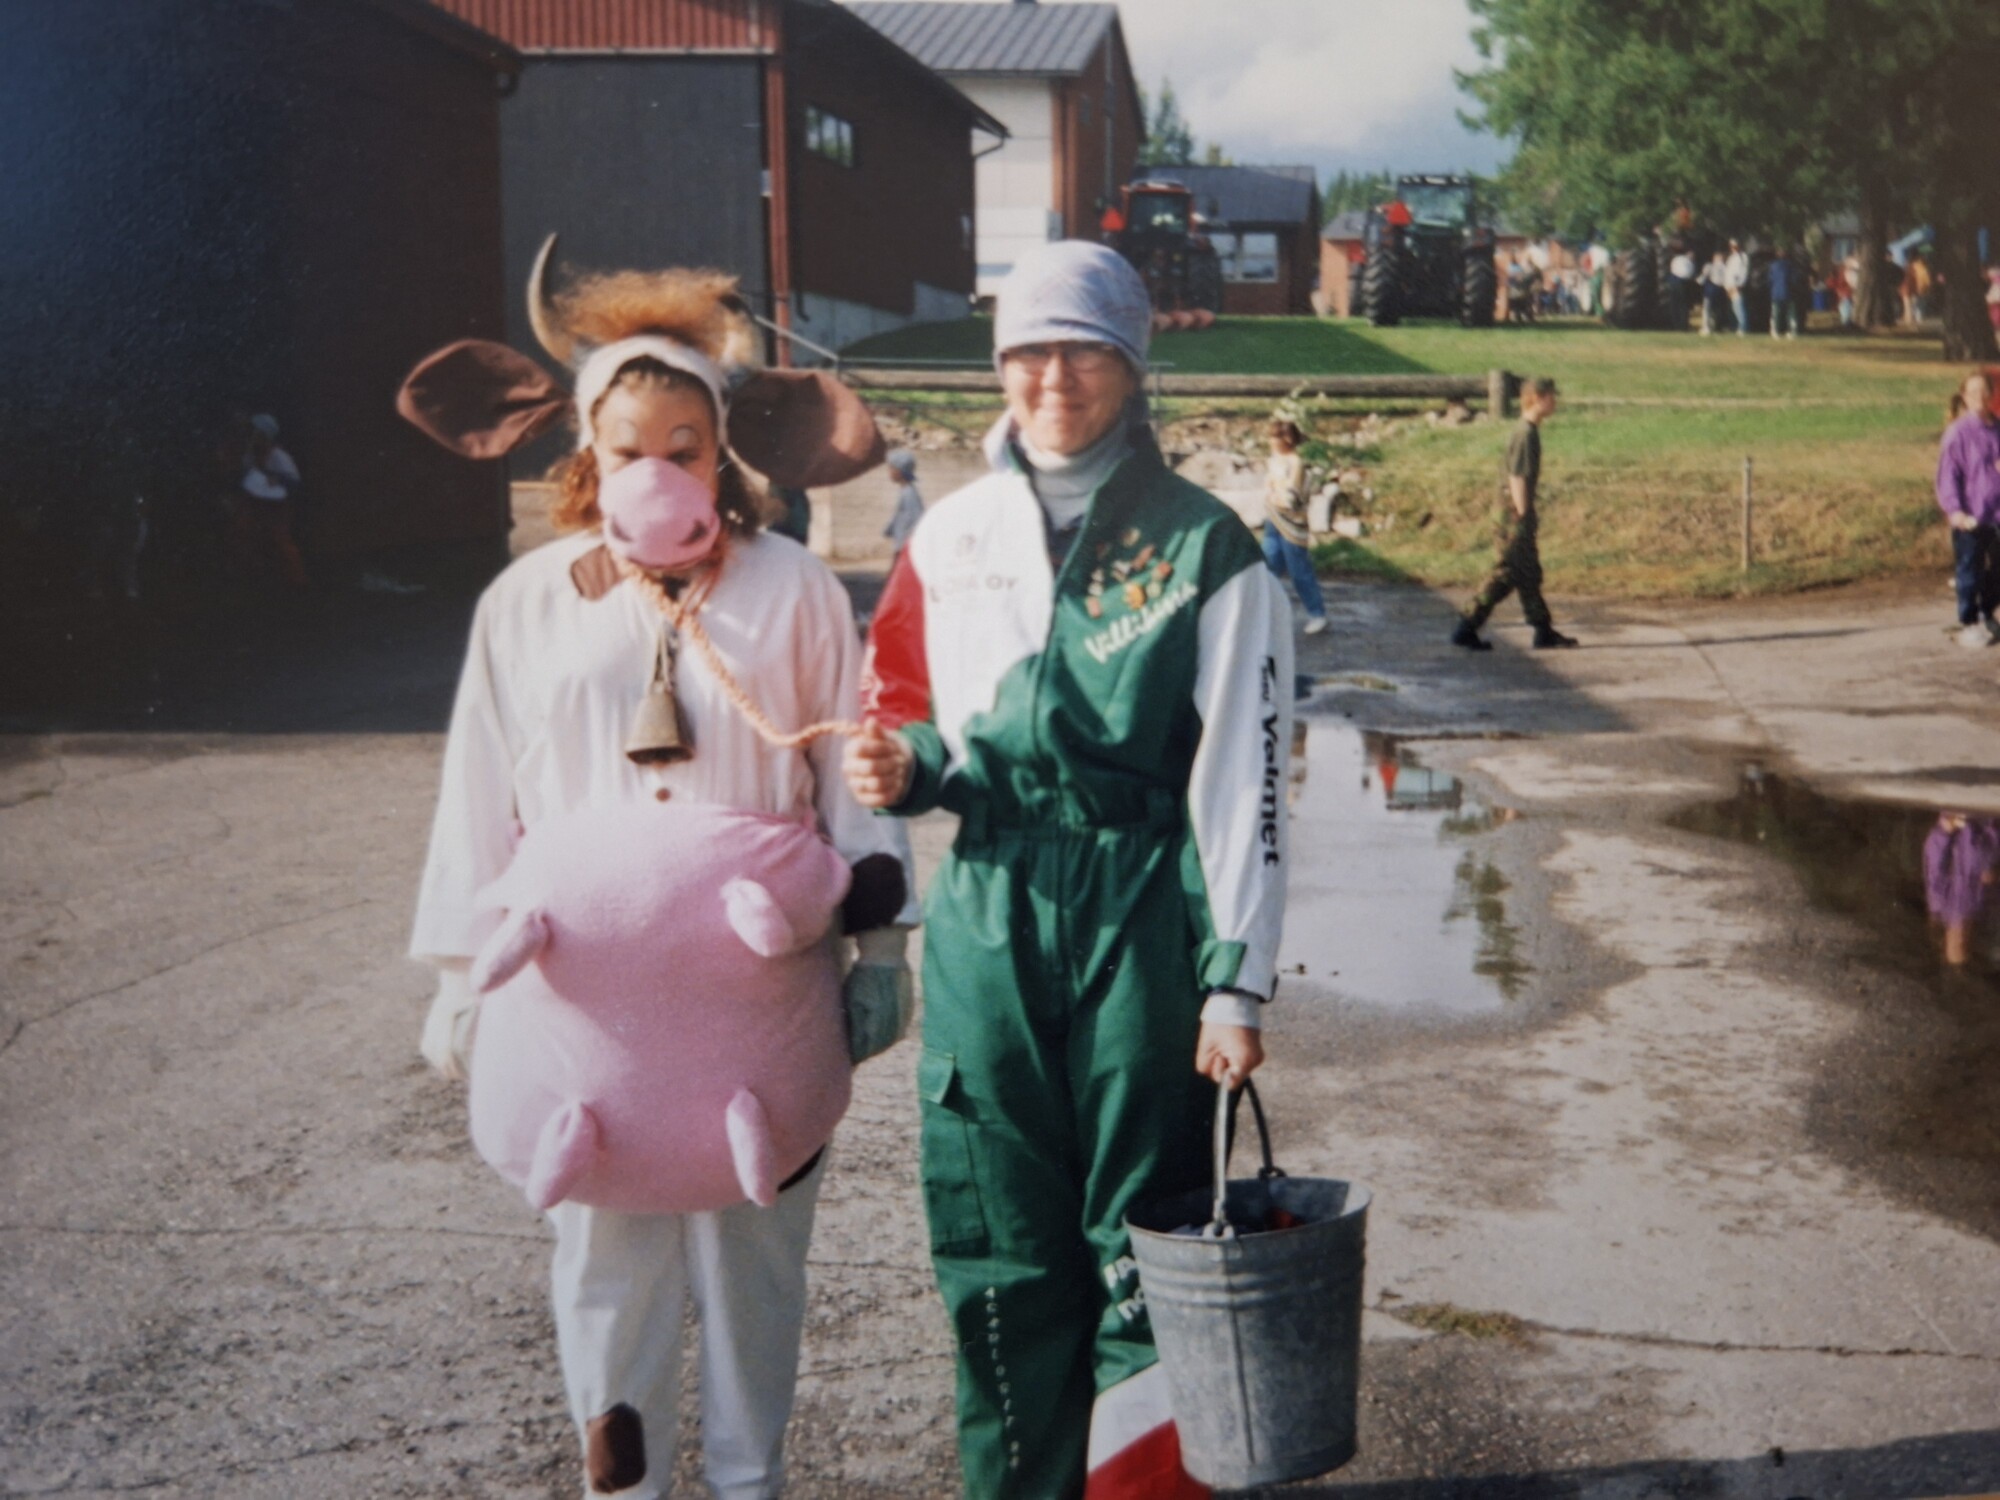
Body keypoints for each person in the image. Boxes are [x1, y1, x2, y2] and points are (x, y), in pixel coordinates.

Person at [405, 262, 916, 1500]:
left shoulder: (791, 590)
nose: (659, 464)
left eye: (685, 441)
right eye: (630, 442)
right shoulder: (530, 601)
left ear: (724, 444)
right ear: (587, 444)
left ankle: (749, 1481)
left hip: (760, 996)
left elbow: (846, 777)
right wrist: (463, 972)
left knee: (754, 1258)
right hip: (588, 1010)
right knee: (603, 1254)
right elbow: (481, 785)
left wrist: (882, 945)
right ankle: (620, 1484)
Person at [845, 240, 1291, 1500]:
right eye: (1028, 351)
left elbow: (1245, 789)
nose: (1053, 378)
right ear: (999, 366)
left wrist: (1235, 984)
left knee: (1144, 1243)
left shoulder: (1208, 547)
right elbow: (921, 715)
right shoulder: (952, 533)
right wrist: (905, 766)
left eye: (1083, 350)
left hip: (1143, 908)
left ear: (1130, 366)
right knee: (996, 1236)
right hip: (989, 910)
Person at [1453, 376, 1577, 651]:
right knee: (1507, 573)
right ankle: (1467, 624)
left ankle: (1542, 630)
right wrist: (1523, 513)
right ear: (1537, 398)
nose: (1554, 402)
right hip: (1513, 517)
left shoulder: (1529, 430)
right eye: (1550, 396)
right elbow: (1517, 477)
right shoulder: (1525, 433)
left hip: (1516, 515)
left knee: (1529, 572)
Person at [1936, 370, 2000, 648]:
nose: (1980, 398)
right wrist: (1956, 511)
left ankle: (1988, 613)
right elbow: (1947, 477)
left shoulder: (1998, 428)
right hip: (1970, 518)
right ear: (1964, 397)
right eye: (1974, 393)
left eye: (1985, 392)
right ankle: (1969, 621)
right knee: (1969, 570)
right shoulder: (1957, 433)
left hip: (1996, 514)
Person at [1263, 416, 1329, 634]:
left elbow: (1292, 496)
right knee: (1268, 566)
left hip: (1292, 524)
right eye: (1270, 437)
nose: (1271, 441)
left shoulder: (1296, 463)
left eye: (1275, 437)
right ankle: (1267, 613)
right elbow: (1269, 486)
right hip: (1273, 520)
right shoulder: (1274, 460)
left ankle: (1317, 613)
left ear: (1287, 439)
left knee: (1298, 569)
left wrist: (1275, 495)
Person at [233, 412, 309, 587]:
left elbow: (295, 483)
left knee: (280, 541)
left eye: (255, 431)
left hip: (277, 506)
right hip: (256, 503)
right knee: (249, 536)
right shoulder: (251, 455)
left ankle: (298, 585)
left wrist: (278, 479)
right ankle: (260, 581)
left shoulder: (279, 456)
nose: (251, 435)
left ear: (264, 434)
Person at [1925, 811, 1999, 968]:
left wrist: (1944, 831)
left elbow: (1935, 862)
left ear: (1946, 939)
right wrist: (1995, 875)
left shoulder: (1940, 904)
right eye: (1964, 947)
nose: (1960, 941)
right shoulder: (1984, 914)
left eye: (1955, 946)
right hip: (1993, 821)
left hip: (1964, 818)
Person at [881, 446, 924, 559]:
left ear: (900, 471)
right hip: (901, 546)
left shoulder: (910, 494)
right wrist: (890, 530)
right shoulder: (905, 491)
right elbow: (899, 516)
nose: (889, 472)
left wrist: (906, 546)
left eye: (891, 468)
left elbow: (916, 519)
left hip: (905, 548)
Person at [1768, 245, 1798, 339]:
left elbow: (1770, 280)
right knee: (1791, 314)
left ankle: (1774, 331)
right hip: (1788, 292)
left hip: (1776, 293)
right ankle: (1792, 332)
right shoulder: (1791, 266)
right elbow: (1794, 280)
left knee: (1776, 314)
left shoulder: (1773, 266)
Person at [1723, 239, 1751, 337]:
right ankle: (1733, 327)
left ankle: (1743, 327)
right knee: (1733, 308)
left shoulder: (1743, 257)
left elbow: (1743, 273)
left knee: (1739, 307)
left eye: (1735, 246)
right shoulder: (1731, 258)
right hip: (1729, 286)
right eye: (1732, 246)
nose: (1733, 248)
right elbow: (1727, 273)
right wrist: (1727, 286)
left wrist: (1739, 285)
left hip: (1737, 286)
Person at [1699, 250, 1730, 336]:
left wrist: (1698, 281)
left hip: (1711, 290)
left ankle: (1707, 327)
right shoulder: (1726, 267)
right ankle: (1717, 327)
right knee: (1717, 310)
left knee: (1707, 309)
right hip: (1721, 290)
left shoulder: (1710, 266)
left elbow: (1703, 277)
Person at [1668, 245, 1697, 330]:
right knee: (1683, 306)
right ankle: (1683, 325)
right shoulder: (1689, 262)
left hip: (1675, 282)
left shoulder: (1676, 259)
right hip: (1684, 283)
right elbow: (1691, 273)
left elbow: (1672, 269)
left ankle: (1676, 325)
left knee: (1675, 305)